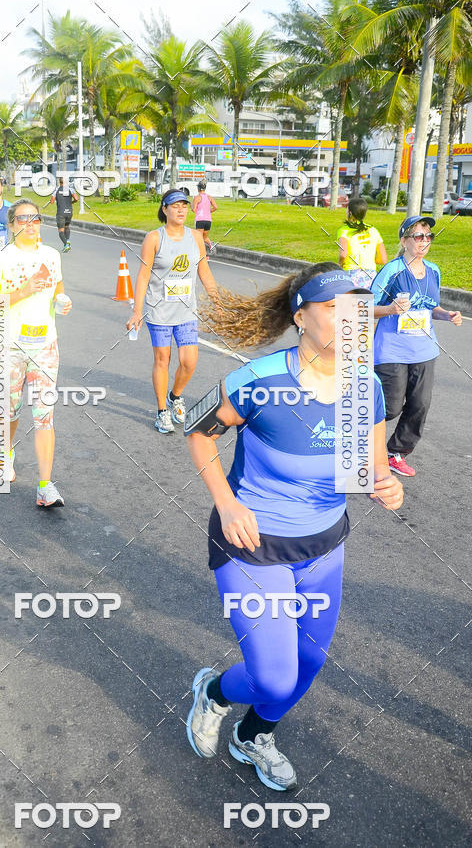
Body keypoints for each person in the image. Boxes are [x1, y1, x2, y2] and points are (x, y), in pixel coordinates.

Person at [184, 263, 403, 790]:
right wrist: (227, 504)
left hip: (325, 545)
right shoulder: (259, 380)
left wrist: (386, 484)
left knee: (306, 665)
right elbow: (198, 433)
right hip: (254, 545)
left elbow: (372, 464)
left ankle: (253, 735)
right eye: (335, 309)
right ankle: (214, 693)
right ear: (302, 317)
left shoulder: (364, 384)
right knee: (272, 676)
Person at [0, 199, 71, 508]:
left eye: (35, 218)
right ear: (12, 225)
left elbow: (58, 289)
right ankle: (5, 452)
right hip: (8, 346)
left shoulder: (52, 255)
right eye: (22, 219)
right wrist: (25, 290)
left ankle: (45, 486)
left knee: (44, 416)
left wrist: (62, 301)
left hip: (45, 345)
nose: (29, 224)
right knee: (10, 410)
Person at [371, 215, 462, 477]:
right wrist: (390, 308)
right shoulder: (392, 270)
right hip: (391, 351)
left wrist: (447, 315)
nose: (424, 241)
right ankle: (356, 438)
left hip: (424, 350)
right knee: (390, 407)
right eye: (418, 236)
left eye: (428, 236)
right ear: (404, 241)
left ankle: (395, 453)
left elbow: (430, 306)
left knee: (420, 405)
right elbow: (363, 307)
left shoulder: (433, 270)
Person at [126, 188, 219, 433]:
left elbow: (204, 272)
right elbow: (144, 275)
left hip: (186, 311)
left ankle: (175, 396)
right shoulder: (154, 238)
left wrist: (218, 300)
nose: (180, 210)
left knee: (189, 361)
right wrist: (137, 311)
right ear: (164, 209)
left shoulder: (196, 237)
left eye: (184, 206)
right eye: (175, 206)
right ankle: (161, 412)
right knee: (163, 359)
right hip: (159, 311)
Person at [337, 196, 387, 288]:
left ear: (350, 213)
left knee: (345, 302)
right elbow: (383, 259)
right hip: (371, 277)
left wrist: (339, 265)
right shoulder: (373, 230)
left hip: (351, 274)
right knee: (366, 302)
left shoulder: (344, 230)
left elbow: (343, 254)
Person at [50, 177, 78, 252]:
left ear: (59, 182)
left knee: (61, 230)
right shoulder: (71, 189)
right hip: (69, 212)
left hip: (61, 213)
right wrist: (72, 202)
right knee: (67, 226)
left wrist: (53, 200)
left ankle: (66, 245)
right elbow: (76, 198)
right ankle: (68, 240)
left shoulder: (56, 189)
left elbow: (52, 201)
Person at [191, 180, 218, 258]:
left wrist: (191, 205)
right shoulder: (209, 197)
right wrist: (208, 211)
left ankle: (204, 255)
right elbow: (216, 207)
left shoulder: (197, 197)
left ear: (198, 188)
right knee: (204, 237)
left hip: (200, 220)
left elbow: (194, 210)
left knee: (199, 239)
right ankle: (210, 244)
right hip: (208, 220)